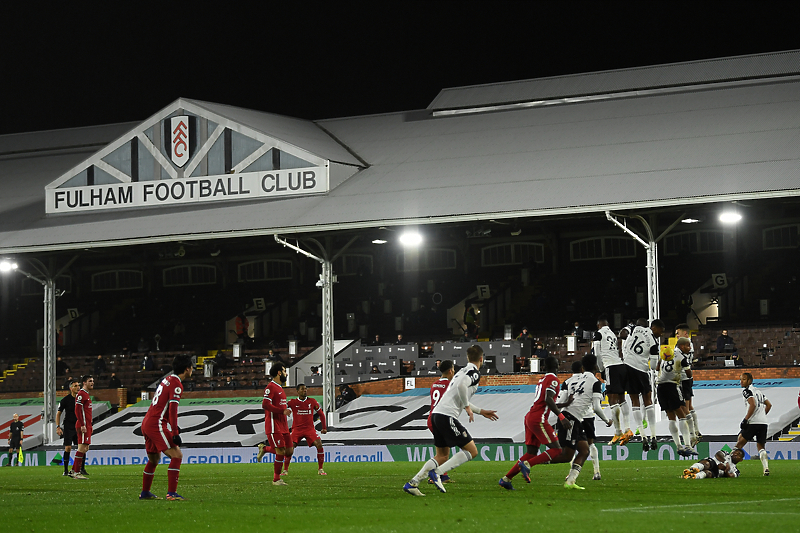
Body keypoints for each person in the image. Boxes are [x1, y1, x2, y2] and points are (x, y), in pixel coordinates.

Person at [403, 345, 498, 496]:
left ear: (467, 358)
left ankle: (412, 483)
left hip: (436, 415)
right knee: (472, 451)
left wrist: (480, 411)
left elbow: (459, 394)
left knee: (441, 456)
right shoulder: (474, 373)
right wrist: (467, 407)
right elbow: (461, 389)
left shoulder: (460, 372)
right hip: (447, 416)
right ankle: (438, 473)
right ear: (481, 358)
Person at [498, 356, 570, 490]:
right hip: (539, 419)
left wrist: (565, 404)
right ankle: (528, 465)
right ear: (557, 365)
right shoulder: (553, 380)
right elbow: (548, 399)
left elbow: (545, 400)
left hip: (530, 416)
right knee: (557, 449)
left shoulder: (542, 380)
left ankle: (506, 479)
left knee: (531, 452)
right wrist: (561, 416)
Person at [139, 354, 194, 500]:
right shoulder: (177, 384)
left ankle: (145, 492)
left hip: (147, 422)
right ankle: (171, 493)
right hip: (156, 423)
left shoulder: (167, 379)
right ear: (187, 369)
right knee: (177, 455)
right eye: (192, 367)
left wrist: (172, 426)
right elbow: (172, 409)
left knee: (154, 460)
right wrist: (174, 432)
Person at [622, 318, 664, 451]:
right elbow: (652, 366)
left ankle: (642, 436)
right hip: (640, 370)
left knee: (634, 402)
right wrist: (656, 361)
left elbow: (622, 334)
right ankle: (653, 435)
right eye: (660, 331)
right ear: (654, 328)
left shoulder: (635, 328)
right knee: (648, 401)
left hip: (627, 366)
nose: (661, 334)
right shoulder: (653, 342)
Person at [569, 355, 612, 481]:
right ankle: (597, 472)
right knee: (591, 444)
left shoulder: (570, 381)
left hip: (573, 415)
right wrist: (607, 420)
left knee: (572, 445)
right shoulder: (593, 381)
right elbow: (596, 407)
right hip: (587, 416)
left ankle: (571, 473)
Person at [425, 360, 467, 484]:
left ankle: (442, 476)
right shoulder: (450, 386)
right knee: (444, 453)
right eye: (453, 370)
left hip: (431, 418)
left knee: (442, 451)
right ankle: (433, 475)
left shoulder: (434, 384)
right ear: (450, 371)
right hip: (441, 418)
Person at [594, 316, 631, 445]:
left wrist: (601, 369)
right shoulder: (613, 334)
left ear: (598, 325)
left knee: (612, 399)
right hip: (620, 365)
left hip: (610, 366)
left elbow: (597, 354)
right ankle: (628, 429)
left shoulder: (598, 334)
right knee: (622, 399)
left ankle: (618, 432)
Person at [655, 338, 695, 457]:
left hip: (660, 387)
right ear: (682, 346)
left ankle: (678, 445)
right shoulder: (682, 357)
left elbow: (657, 368)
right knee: (682, 416)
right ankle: (688, 445)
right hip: (672, 386)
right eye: (688, 346)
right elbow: (689, 374)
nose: (689, 348)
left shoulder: (665, 352)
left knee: (671, 417)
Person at [257, 362, 292, 486]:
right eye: (284, 371)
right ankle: (276, 479)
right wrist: (282, 410)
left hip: (283, 425)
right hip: (273, 425)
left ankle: (265, 448)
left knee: (289, 450)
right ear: (279, 372)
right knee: (281, 451)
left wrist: (286, 410)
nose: (286, 373)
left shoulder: (280, 388)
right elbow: (265, 405)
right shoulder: (270, 387)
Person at [733, 372, 772, 476]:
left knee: (739, 444)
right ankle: (766, 468)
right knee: (761, 447)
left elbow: (753, 404)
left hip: (753, 422)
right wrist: (762, 416)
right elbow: (769, 405)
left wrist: (746, 419)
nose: (741, 381)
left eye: (743, 379)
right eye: (740, 379)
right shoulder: (759, 392)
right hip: (763, 423)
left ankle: (730, 466)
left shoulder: (747, 391)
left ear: (749, 381)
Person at [286, 384, 328, 476]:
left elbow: (321, 414)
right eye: (302, 389)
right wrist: (283, 410)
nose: (305, 390)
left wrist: (324, 427)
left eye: (305, 389)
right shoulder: (292, 402)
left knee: (319, 444)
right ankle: (285, 470)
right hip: (297, 429)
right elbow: (282, 406)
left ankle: (320, 469)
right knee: (290, 448)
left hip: (309, 429)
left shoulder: (312, 401)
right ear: (297, 391)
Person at [675, 323, 701, 444]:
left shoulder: (684, 345)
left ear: (684, 333)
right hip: (687, 378)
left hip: (683, 379)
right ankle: (696, 430)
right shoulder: (689, 345)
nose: (676, 336)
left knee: (684, 407)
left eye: (678, 333)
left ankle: (691, 434)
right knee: (689, 406)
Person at [70, 375, 94, 479]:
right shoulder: (81, 394)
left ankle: (73, 470)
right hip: (83, 425)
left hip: (87, 424)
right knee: (82, 448)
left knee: (85, 448)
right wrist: (83, 424)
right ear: (84, 383)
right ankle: (76, 472)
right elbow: (77, 410)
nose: (92, 383)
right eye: (90, 381)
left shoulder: (86, 395)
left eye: (93, 381)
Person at [56, 380, 80, 476]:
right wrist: (58, 426)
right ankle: (65, 470)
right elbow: (59, 413)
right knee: (68, 447)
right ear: (71, 388)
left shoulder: (81, 399)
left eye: (78, 385)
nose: (78, 387)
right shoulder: (65, 400)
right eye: (75, 386)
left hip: (78, 425)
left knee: (81, 447)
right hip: (68, 426)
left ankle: (81, 469)